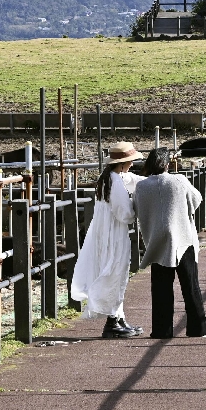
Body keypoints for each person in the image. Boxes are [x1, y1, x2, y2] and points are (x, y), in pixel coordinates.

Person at [133, 148, 206, 339]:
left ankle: (161, 330)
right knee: (190, 285)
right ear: (167, 164)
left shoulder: (141, 186)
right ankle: (198, 327)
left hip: (156, 241)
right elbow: (196, 199)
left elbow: (136, 209)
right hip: (182, 238)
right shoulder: (179, 180)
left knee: (160, 288)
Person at [70, 141, 146, 338]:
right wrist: (136, 206)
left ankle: (119, 317)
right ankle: (112, 321)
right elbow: (124, 213)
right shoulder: (115, 182)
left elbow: (134, 179)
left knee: (116, 271)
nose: (131, 165)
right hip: (114, 233)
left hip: (106, 230)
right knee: (116, 271)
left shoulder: (111, 177)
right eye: (129, 162)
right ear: (122, 163)